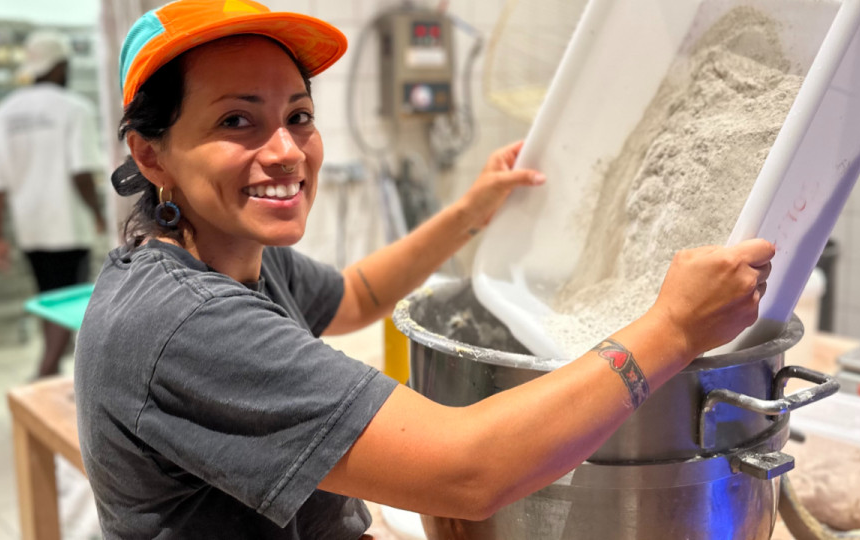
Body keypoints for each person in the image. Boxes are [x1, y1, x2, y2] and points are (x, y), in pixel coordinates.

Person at [75, 1, 775, 538]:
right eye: (237, 121)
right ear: (152, 155)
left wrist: (471, 211)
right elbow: (468, 469)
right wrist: (674, 329)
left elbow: (355, 296)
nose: (287, 151)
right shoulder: (184, 322)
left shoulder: (232, 258)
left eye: (299, 115)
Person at [0, 30, 105, 379]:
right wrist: (98, 215)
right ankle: (44, 375)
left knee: (49, 301)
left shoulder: (5, 112)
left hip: (29, 227)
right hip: (67, 225)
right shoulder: (74, 108)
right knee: (70, 306)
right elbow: (81, 173)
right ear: (61, 66)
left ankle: (51, 373)